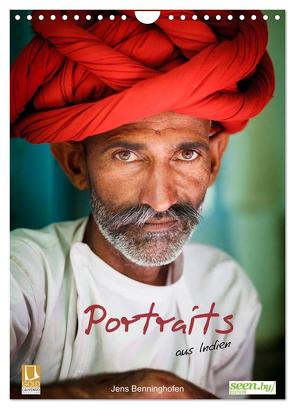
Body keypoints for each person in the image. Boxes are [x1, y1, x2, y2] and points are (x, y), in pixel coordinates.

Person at [10, 10, 275, 399]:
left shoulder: (226, 286)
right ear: (75, 164)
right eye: (126, 156)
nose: (161, 199)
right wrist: (105, 392)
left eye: (186, 156)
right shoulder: (24, 273)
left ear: (214, 160)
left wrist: (265, 392)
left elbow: (242, 388)